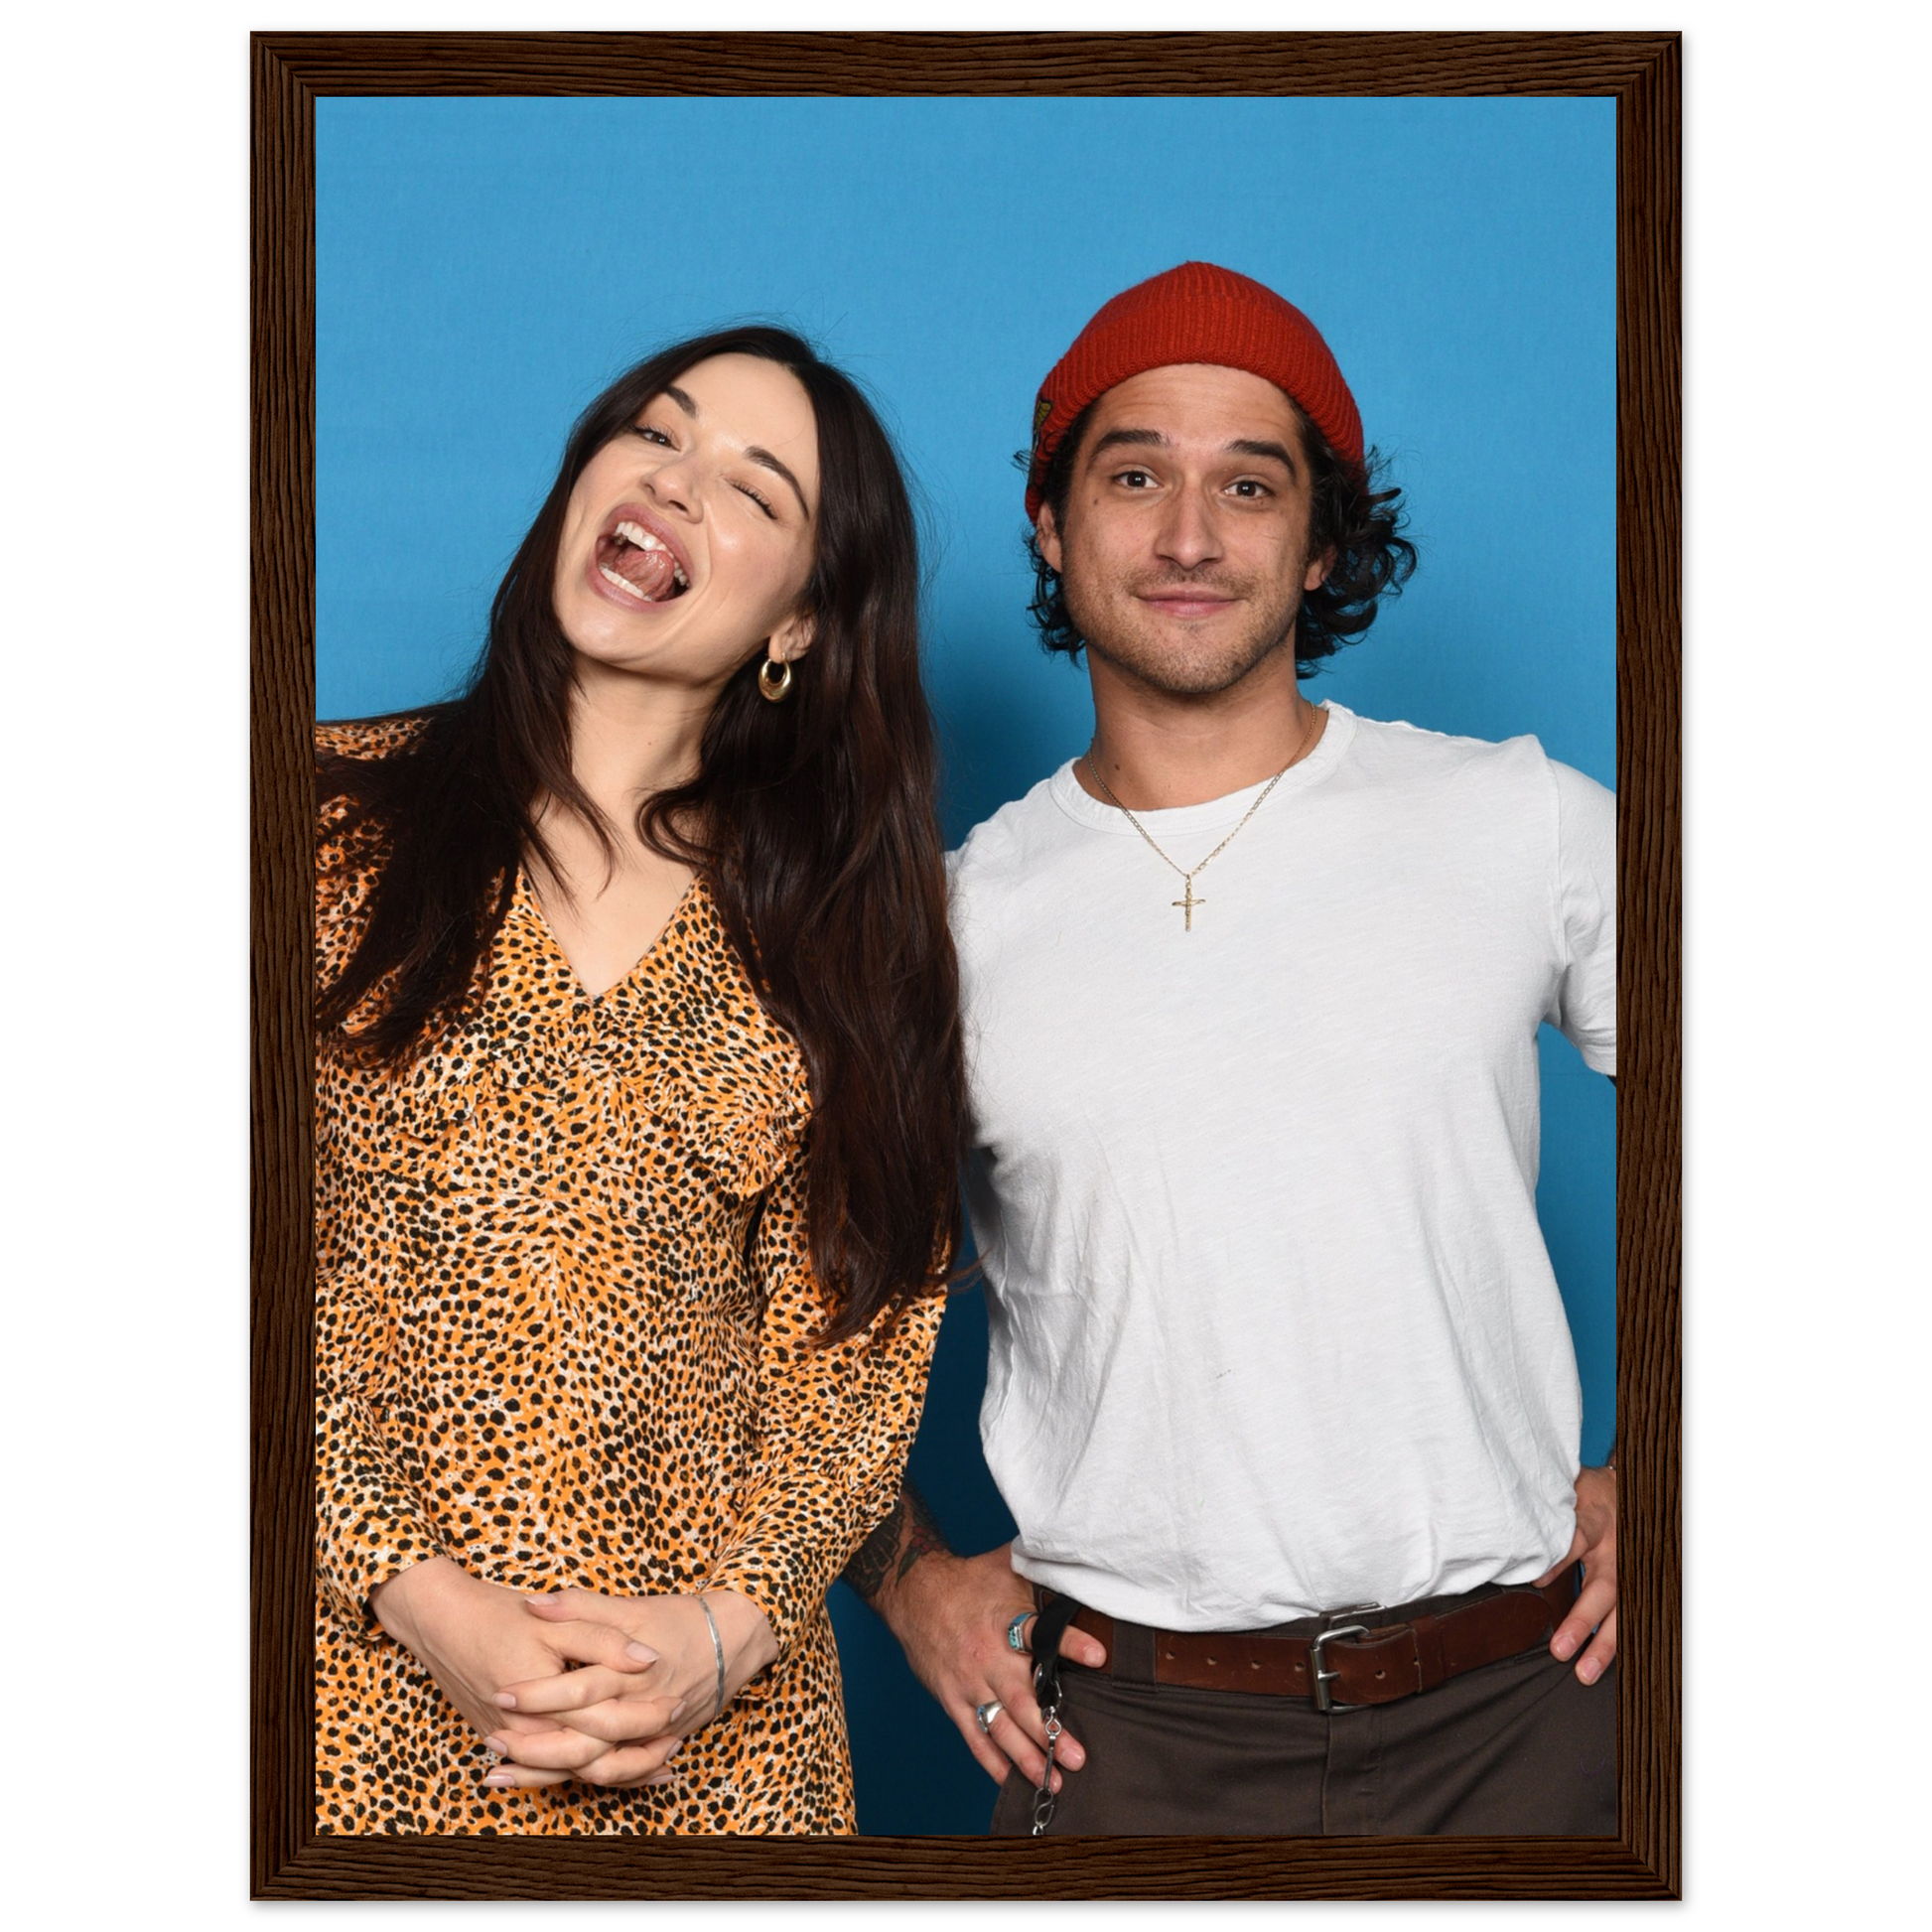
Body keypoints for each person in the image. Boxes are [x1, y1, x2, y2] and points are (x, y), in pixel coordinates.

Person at [841, 262, 1618, 1836]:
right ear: (1051, 524)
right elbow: (779, 1315)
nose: (1189, 536)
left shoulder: (1518, 821)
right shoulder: (947, 924)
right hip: (1123, 1746)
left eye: (1248, 485)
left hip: (1528, 1712)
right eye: (1134, 476)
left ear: (1319, 541)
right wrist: (906, 1575)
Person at [314, 327, 965, 1835]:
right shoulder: (315, 821)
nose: (675, 481)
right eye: (655, 434)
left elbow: (859, 1360)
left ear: (798, 622)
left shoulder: (848, 938)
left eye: (752, 486)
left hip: (716, 1748)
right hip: (340, 1702)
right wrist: (412, 1590)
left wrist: (718, 1640)